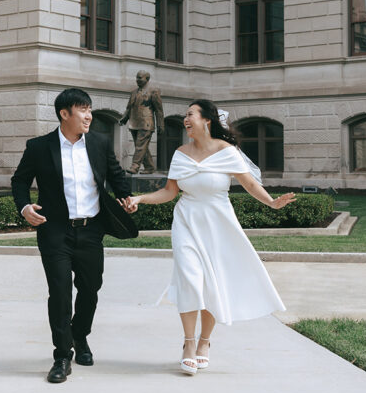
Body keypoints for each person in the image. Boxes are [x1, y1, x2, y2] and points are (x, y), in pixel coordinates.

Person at [124, 99, 294, 376]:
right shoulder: (180, 153)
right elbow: (169, 192)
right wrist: (140, 198)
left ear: (207, 120)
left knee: (212, 284)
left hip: (219, 223)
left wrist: (272, 203)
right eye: (186, 116)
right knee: (190, 278)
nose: (186, 120)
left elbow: (250, 183)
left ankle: (205, 342)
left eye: (190, 115)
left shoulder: (227, 152)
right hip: (187, 221)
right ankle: (189, 344)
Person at [11, 88, 133, 384]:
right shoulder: (40, 146)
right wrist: (25, 206)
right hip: (55, 231)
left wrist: (126, 196)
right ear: (65, 114)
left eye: (90, 109)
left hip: (92, 229)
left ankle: (80, 336)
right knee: (61, 292)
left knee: (91, 288)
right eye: (83, 110)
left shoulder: (100, 143)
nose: (89, 116)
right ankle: (62, 355)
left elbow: (116, 175)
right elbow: (19, 180)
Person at [118, 70, 164, 173]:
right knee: (143, 147)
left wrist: (161, 124)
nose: (137, 80)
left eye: (140, 78)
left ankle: (135, 166)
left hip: (147, 123)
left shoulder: (153, 91)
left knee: (140, 146)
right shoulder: (134, 92)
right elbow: (129, 108)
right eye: (136, 78)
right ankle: (150, 167)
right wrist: (124, 119)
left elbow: (159, 110)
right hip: (134, 123)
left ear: (147, 79)